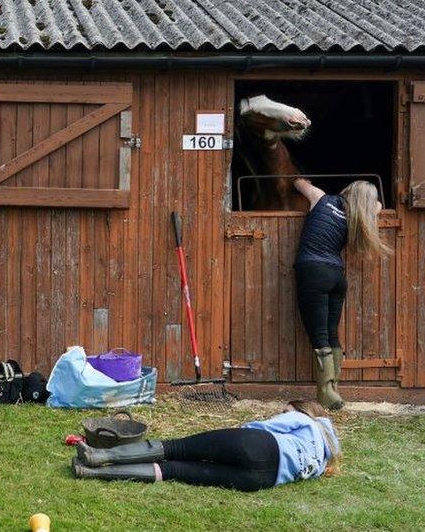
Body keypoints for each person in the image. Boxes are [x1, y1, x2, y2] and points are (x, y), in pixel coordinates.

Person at [72, 400, 340, 492]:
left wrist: (239, 432)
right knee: (174, 471)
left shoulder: (306, 421)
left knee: (177, 448)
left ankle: (99, 455)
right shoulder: (320, 461)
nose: (282, 412)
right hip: (261, 479)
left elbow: (265, 427)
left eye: (285, 409)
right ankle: (92, 472)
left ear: (303, 410)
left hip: (260, 445)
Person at [292, 179, 391, 409]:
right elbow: (375, 206)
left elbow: (298, 183)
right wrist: (363, 204)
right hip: (336, 276)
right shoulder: (358, 217)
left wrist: (302, 181)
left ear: (347, 190)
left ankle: (326, 394)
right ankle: (333, 388)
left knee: (319, 335)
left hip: (312, 271)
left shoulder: (320, 198)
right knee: (331, 333)